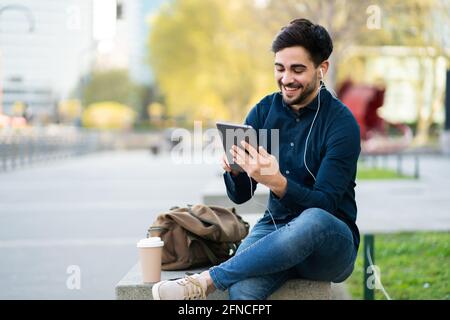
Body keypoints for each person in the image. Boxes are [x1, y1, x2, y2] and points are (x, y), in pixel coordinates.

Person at [152, 18, 361, 300]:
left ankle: (204, 282)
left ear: (322, 68)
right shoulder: (264, 112)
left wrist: (278, 183)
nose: (286, 79)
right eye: (280, 68)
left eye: (297, 69)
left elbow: (325, 204)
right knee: (242, 290)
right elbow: (241, 196)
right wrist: (235, 172)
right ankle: (216, 279)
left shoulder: (341, 123)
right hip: (275, 228)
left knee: (314, 219)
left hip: (329, 244)